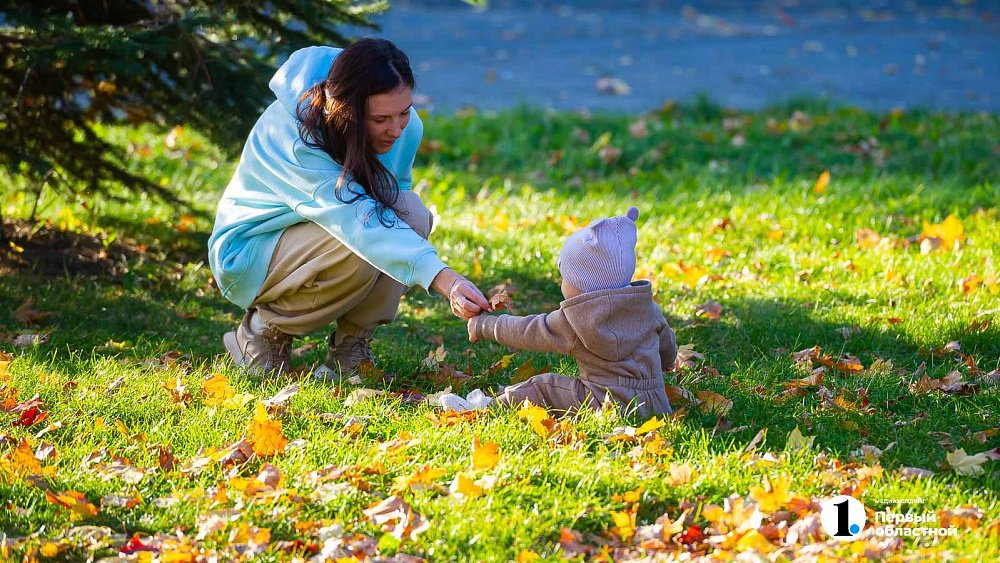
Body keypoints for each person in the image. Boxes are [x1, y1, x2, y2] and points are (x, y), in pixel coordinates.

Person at [208, 38, 491, 377]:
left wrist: (429, 267)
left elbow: (390, 205)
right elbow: (356, 221)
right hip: (253, 251)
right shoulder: (296, 137)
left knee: (410, 214)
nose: (396, 129)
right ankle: (263, 333)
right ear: (347, 111)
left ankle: (351, 349)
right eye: (381, 118)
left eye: (404, 112)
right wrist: (445, 279)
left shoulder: (404, 128)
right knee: (361, 242)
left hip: (331, 232)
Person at [467, 207, 676, 419]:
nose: (563, 282)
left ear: (584, 285)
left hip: (603, 404)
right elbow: (667, 346)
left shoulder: (577, 321)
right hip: (655, 404)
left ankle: (489, 408)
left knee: (543, 386)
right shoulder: (648, 309)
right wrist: (667, 364)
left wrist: (483, 326)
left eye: (566, 277)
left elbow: (527, 331)